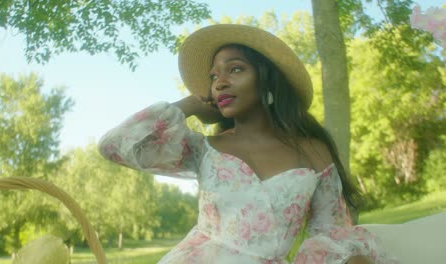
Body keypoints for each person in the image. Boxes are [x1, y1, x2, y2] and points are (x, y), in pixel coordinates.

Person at [98, 24, 398, 264]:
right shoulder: (204, 149)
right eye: (214, 76)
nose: (220, 82)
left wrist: (353, 258)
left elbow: (328, 232)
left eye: (235, 69)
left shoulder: (313, 150)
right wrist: (186, 106)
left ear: (268, 79)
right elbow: (115, 146)